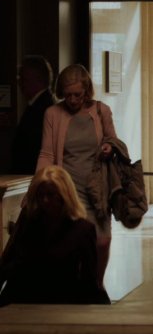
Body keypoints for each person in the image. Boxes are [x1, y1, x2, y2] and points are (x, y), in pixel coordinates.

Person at [37, 64, 118, 290]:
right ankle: (80, 286)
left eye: (78, 94)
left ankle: (97, 283)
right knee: (76, 240)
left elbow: (114, 141)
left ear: (87, 90)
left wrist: (108, 148)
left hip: (97, 185)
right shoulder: (53, 114)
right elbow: (46, 154)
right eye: (68, 94)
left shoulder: (102, 111)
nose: (72, 100)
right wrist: (36, 187)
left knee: (103, 240)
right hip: (68, 189)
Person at [0, 166, 110, 306]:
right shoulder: (29, 220)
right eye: (41, 195)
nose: (45, 200)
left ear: (64, 195)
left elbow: (88, 278)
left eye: (51, 195)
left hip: (60, 299)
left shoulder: (82, 229)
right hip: (24, 296)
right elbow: (8, 260)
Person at [10, 55, 56, 174]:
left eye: (22, 77)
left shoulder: (43, 108)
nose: (19, 82)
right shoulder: (40, 104)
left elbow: (35, 149)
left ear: (36, 78)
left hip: (33, 177)